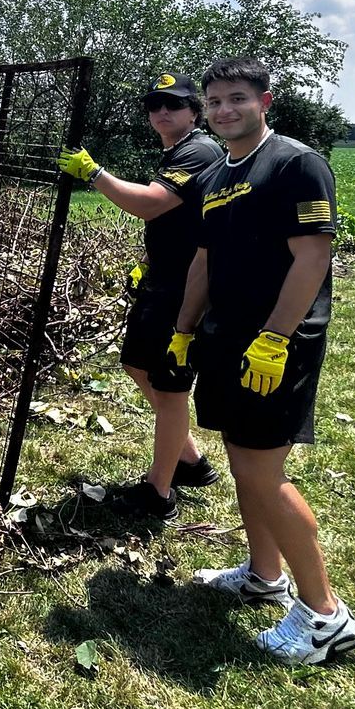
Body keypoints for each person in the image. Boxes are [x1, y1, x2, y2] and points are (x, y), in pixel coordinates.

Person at [172, 57, 355, 665]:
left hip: (277, 344)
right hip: (225, 337)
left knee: (263, 472)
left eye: (237, 98)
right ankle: (263, 575)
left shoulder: (295, 164)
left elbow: (312, 257)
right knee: (241, 459)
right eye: (215, 102)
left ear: (265, 101)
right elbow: (203, 261)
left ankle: (325, 617)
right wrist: (182, 330)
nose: (225, 110)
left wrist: (277, 337)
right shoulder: (214, 173)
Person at [58, 73, 225, 523]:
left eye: (173, 104)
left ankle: (159, 493)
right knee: (137, 364)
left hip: (185, 288)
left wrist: (94, 172)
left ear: (195, 111)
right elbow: (177, 219)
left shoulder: (199, 150)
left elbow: (151, 203)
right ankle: (190, 461)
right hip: (165, 278)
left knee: (169, 389)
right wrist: (151, 260)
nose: (162, 112)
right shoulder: (177, 150)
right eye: (155, 105)